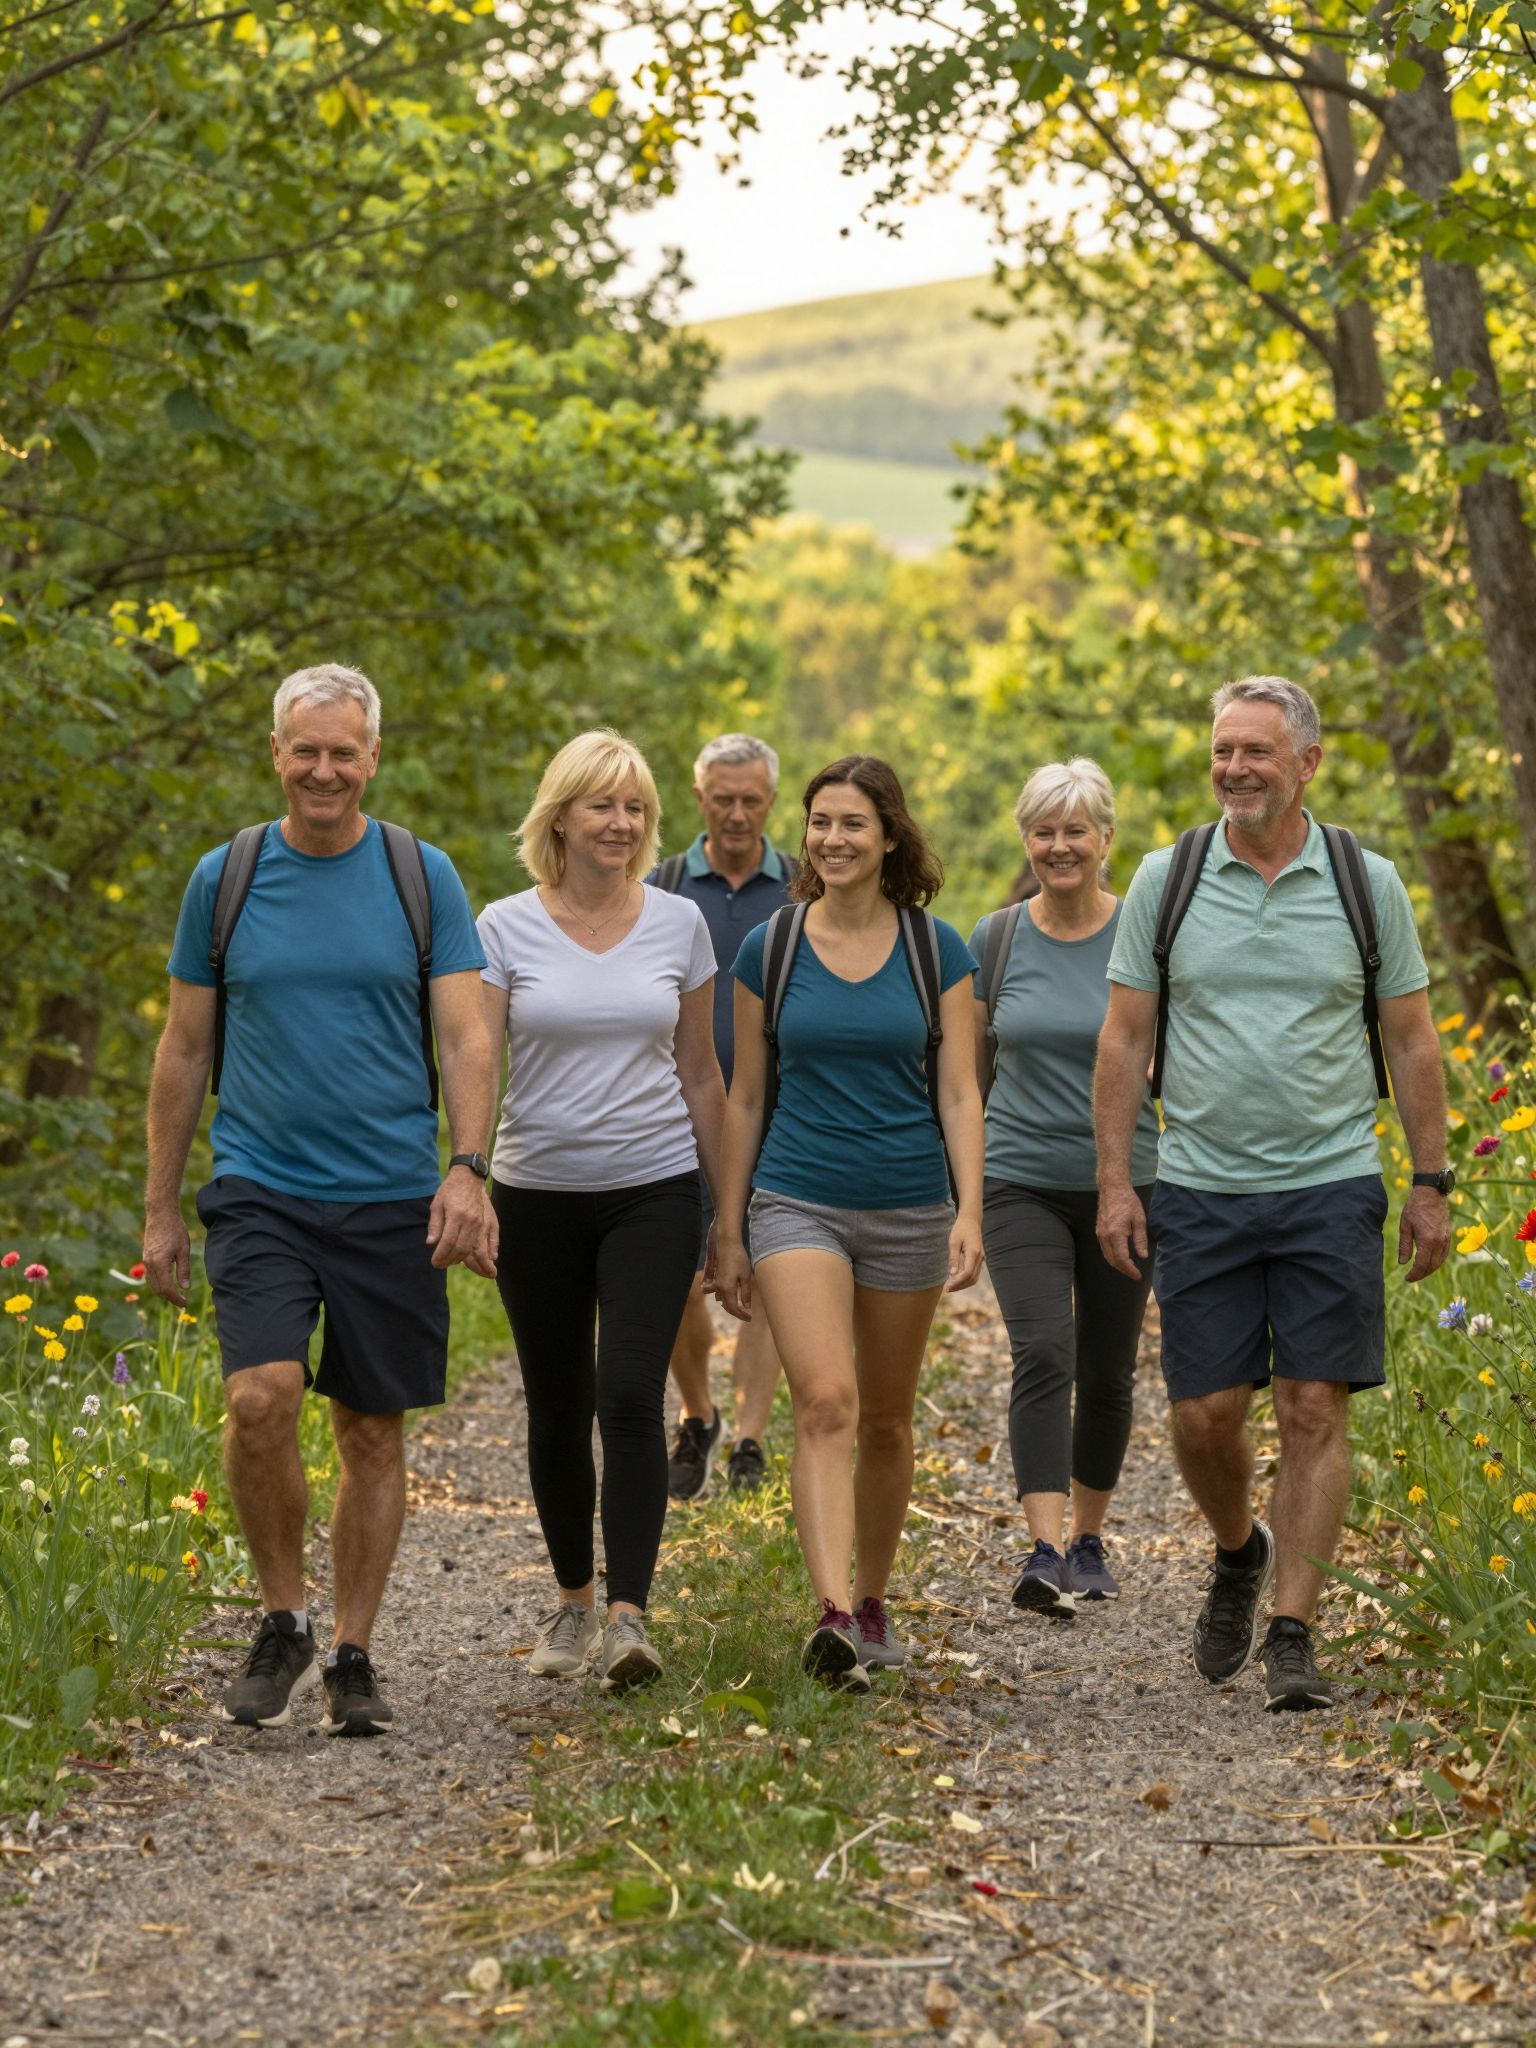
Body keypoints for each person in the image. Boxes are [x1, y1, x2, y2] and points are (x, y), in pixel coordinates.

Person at [144, 663, 497, 1737]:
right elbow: (186, 1042)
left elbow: (467, 1032)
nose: (325, 769)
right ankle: (281, 1617)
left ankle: (352, 1649)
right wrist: (161, 1206)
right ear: (277, 752)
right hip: (262, 1186)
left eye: (344, 751)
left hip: (392, 1190)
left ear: (372, 757)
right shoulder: (230, 874)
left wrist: (468, 1165)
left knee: (371, 1429)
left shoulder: (419, 874)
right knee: (260, 1395)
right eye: (307, 749)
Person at [1096, 675, 1451, 1712]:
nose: (1236, 768)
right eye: (1223, 751)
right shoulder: (1170, 877)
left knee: (1310, 1403)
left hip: (1330, 1181)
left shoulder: (1362, 879)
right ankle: (1237, 1548)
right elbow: (1124, 1037)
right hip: (1200, 1185)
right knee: (1204, 1414)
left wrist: (1429, 1181)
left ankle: (1293, 1628)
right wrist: (1118, 1179)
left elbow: (1413, 1035)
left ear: (1307, 762)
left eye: (1256, 750)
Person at [714, 756, 985, 1689]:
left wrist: (970, 1210)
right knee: (826, 1401)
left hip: (910, 1202)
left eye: (853, 824)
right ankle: (830, 1614)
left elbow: (960, 1092)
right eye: (820, 821)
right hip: (797, 1198)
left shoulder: (936, 950)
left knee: (886, 1420)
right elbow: (746, 1097)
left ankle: (872, 1600)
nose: (833, 839)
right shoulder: (771, 950)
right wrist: (729, 1224)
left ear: (890, 837)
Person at [479, 730, 725, 1693]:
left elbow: (703, 1074)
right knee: (556, 1403)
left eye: (635, 809)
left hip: (653, 1189)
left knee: (629, 1393)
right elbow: (476, 1063)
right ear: (561, 816)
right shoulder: (501, 925)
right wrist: (460, 1177)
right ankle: (573, 1600)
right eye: (602, 807)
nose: (620, 825)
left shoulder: (679, 925)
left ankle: (630, 1615)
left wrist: (726, 1211)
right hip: (535, 1193)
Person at [971, 759, 1159, 1617]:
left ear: (1105, 840)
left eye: (1074, 830)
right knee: (1043, 1350)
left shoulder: (1146, 938)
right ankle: (1044, 1548)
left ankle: (1089, 1537)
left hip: (1129, 1185)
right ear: (1027, 841)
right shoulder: (996, 938)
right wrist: (963, 1197)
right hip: (1020, 1180)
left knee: (1108, 1367)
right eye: (1043, 831)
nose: (1058, 846)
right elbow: (968, 1077)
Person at [647, 733, 793, 1498]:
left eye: (752, 800)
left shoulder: (807, 886)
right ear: (699, 798)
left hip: (782, 1118)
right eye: (723, 799)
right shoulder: (660, 887)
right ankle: (697, 1412)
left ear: (772, 802)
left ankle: (749, 1437)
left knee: (768, 1275)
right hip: (674, 1120)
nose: (737, 814)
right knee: (675, 1276)